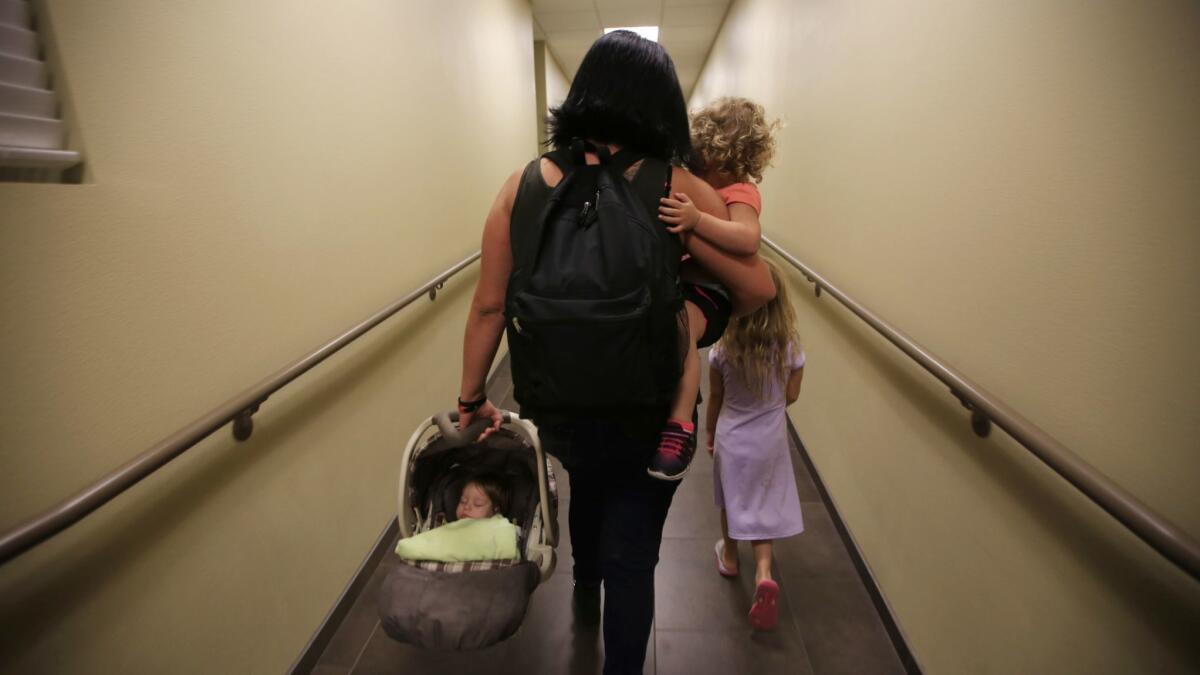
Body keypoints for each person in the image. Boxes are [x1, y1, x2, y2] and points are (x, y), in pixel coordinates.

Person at [456, 30, 776, 675]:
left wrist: (470, 399)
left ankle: (582, 588)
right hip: (650, 408)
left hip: (559, 401)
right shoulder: (676, 183)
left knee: (587, 488)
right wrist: (691, 293)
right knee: (636, 547)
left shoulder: (520, 186)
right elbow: (753, 288)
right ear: (661, 104)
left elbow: (489, 307)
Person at [649, 96, 782, 481]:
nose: (700, 168)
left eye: (708, 160)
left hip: (710, 288)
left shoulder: (741, 192)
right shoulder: (711, 183)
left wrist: (696, 219)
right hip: (688, 281)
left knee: (684, 333)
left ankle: (679, 424)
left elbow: (746, 239)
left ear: (733, 161)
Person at [706, 260, 806, 631]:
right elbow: (791, 396)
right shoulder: (790, 347)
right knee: (762, 503)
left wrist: (710, 432)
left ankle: (730, 556)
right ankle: (764, 572)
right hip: (770, 440)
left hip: (733, 437)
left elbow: (715, 396)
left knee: (733, 499)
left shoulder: (723, 348)